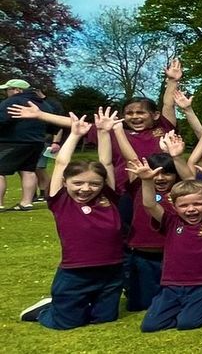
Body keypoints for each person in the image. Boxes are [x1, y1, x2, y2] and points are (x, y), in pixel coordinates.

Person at [20, 111, 124, 329]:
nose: (86, 189)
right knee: (65, 323)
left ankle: (72, 306)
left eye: (94, 184)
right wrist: (74, 135)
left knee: (104, 319)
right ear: (66, 183)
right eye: (78, 183)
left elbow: (106, 163)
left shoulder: (108, 197)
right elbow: (60, 164)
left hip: (111, 270)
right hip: (75, 272)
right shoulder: (61, 201)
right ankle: (47, 310)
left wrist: (104, 133)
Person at [130, 151, 202, 332]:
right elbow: (150, 205)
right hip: (173, 284)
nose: (191, 209)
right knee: (150, 326)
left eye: (198, 204)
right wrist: (146, 180)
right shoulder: (171, 220)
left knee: (187, 323)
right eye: (183, 205)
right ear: (174, 207)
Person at [0, 79, 59, 210]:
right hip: (37, 142)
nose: (6, 93)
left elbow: (2, 119)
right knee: (28, 171)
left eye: (7, 90)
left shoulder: (12, 101)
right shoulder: (44, 104)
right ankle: (26, 203)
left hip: (12, 141)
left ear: (17, 90)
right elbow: (53, 126)